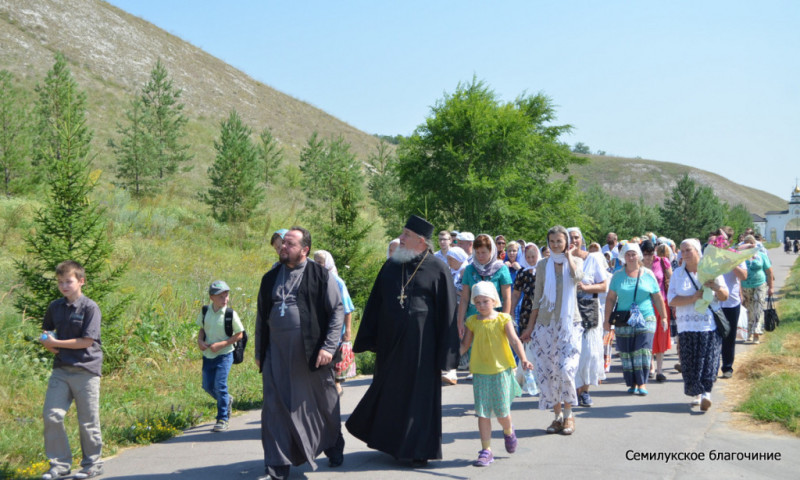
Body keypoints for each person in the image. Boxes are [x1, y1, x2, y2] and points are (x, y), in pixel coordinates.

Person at [347, 215, 459, 467]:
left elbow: (448, 312)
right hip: (391, 346)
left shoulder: (437, 268)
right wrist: (370, 338)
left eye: (406, 235)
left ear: (421, 241)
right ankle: (392, 444)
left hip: (423, 348)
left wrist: (447, 354)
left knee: (419, 398)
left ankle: (419, 449)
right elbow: (375, 303)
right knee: (391, 393)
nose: (401, 238)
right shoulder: (391, 266)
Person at [255, 227, 345, 480]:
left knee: (322, 403)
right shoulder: (270, 277)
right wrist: (259, 350)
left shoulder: (321, 275)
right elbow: (261, 316)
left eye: (290, 244)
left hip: (311, 352)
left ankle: (332, 443)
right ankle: (277, 463)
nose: (283, 247)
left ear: (305, 250)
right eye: (283, 243)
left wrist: (328, 347)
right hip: (276, 353)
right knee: (274, 405)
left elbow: (337, 310)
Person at [39, 261, 104, 480]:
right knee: (52, 416)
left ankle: (92, 464)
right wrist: (47, 341)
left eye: (68, 281)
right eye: (60, 282)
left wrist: (57, 343)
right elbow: (46, 331)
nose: (64, 286)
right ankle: (59, 465)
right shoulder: (55, 306)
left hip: (86, 369)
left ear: (81, 281)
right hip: (61, 370)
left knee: (87, 420)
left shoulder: (90, 307)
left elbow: (86, 341)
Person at [460, 282, 532, 467]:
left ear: (494, 301)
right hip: (480, 372)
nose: (481, 305)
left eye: (485, 301)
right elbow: (465, 345)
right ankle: (486, 450)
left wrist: (523, 359)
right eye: (477, 302)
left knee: (501, 413)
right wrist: (447, 359)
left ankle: (508, 430)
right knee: (482, 413)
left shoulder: (503, 319)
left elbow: (515, 341)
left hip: (501, 371)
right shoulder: (472, 321)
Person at [520, 226, 583, 435]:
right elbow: (536, 298)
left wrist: (569, 257)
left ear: (567, 242)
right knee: (548, 372)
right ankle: (557, 417)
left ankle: (569, 415)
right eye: (552, 241)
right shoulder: (542, 265)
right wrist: (529, 327)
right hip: (545, 326)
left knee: (566, 369)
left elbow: (577, 278)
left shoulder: (576, 261)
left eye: (559, 241)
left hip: (569, 324)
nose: (556, 245)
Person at [668, 238, 728, 411]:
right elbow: (671, 299)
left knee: (709, 360)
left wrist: (716, 287)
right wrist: (692, 298)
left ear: (697, 251)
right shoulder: (677, 274)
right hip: (686, 325)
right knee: (690, 362)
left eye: (689, 250)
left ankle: (706, 394)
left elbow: (724, 296)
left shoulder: (711, 271)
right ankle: (696, 394)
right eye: (683, 250)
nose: (685, 254)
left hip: (708, 325)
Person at [604, 242, 667, 396]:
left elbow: (657, 297)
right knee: (626, 352)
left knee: (643, 350)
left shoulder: (648, 274)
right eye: (628, 254)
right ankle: (632, 383)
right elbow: (611, 299)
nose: (631, 257)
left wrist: (664, 317)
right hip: (623, 319)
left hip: (646, 317)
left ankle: (642, 382)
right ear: (623, 257)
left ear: (639, 256)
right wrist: (607, 320)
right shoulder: (617, 276)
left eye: (633, 254)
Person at [568, 227, 610, 407]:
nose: (573, 240)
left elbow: (604, 286)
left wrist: (585, 288)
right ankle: (572, 391)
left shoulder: (592, 259)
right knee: (571, 352)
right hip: (568, 311)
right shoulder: (560, 260)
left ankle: (584, 390)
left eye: (576, 237)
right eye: (569, 237)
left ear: (582, 239)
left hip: (589, 308)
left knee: (589, 352)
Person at [197, 280, 245, 432]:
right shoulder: (205, 311)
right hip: (208, 354)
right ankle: (226, 400)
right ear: (211, 297)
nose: (225, 299)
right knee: (207, 386)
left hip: (225, 355)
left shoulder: (230, 314)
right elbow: (202, 329)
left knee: (220, 385)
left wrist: (222, 345)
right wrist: (200, 340)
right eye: (220, 296)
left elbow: (239, 335)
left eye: (226, 295)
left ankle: (222, 418)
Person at [313, 250, 355, 394]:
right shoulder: (314, 280)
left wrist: (347, 332)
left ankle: (336, 388)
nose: (317, 265)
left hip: (335, 329)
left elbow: (347, 309)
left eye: (320, 262)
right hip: (319, 329)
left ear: (328, 263)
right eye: (315, 261)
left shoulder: (337, 282)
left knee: (333, 361)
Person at [716, 228, 747, 379]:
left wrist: (732, 263)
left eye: (723, 240)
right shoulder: (710, 254)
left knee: (729, 337)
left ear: (729, 241)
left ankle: (727, 367)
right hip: (713, 301)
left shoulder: (737, 254)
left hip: (731, 302)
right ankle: (712, 366)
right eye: (718, 239)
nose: (720, 242)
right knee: (713, 336)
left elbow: (744, 276)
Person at [641, 240, 672, 382]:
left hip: (661, 303)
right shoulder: (639, 264)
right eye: (645, 254)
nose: (648, 257)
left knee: (661, 335)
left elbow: (670, 281)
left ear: (654, 251)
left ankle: (660, 370)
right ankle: (651, 367)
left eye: (650, 253)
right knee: (648, 336)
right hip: (645, 304)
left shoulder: (662, 262)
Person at [740, 234, 774, 344]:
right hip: (745, 286)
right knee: (748, 310)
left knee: (758, 308)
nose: (750, 245)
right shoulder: (740, 257)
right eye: (747, 243)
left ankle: (756, 334)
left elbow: (769, 272)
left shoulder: (761, 255)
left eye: (752, 243)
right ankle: (749, 333)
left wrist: (771, 287)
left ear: (755, 244)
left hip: (760, 285)